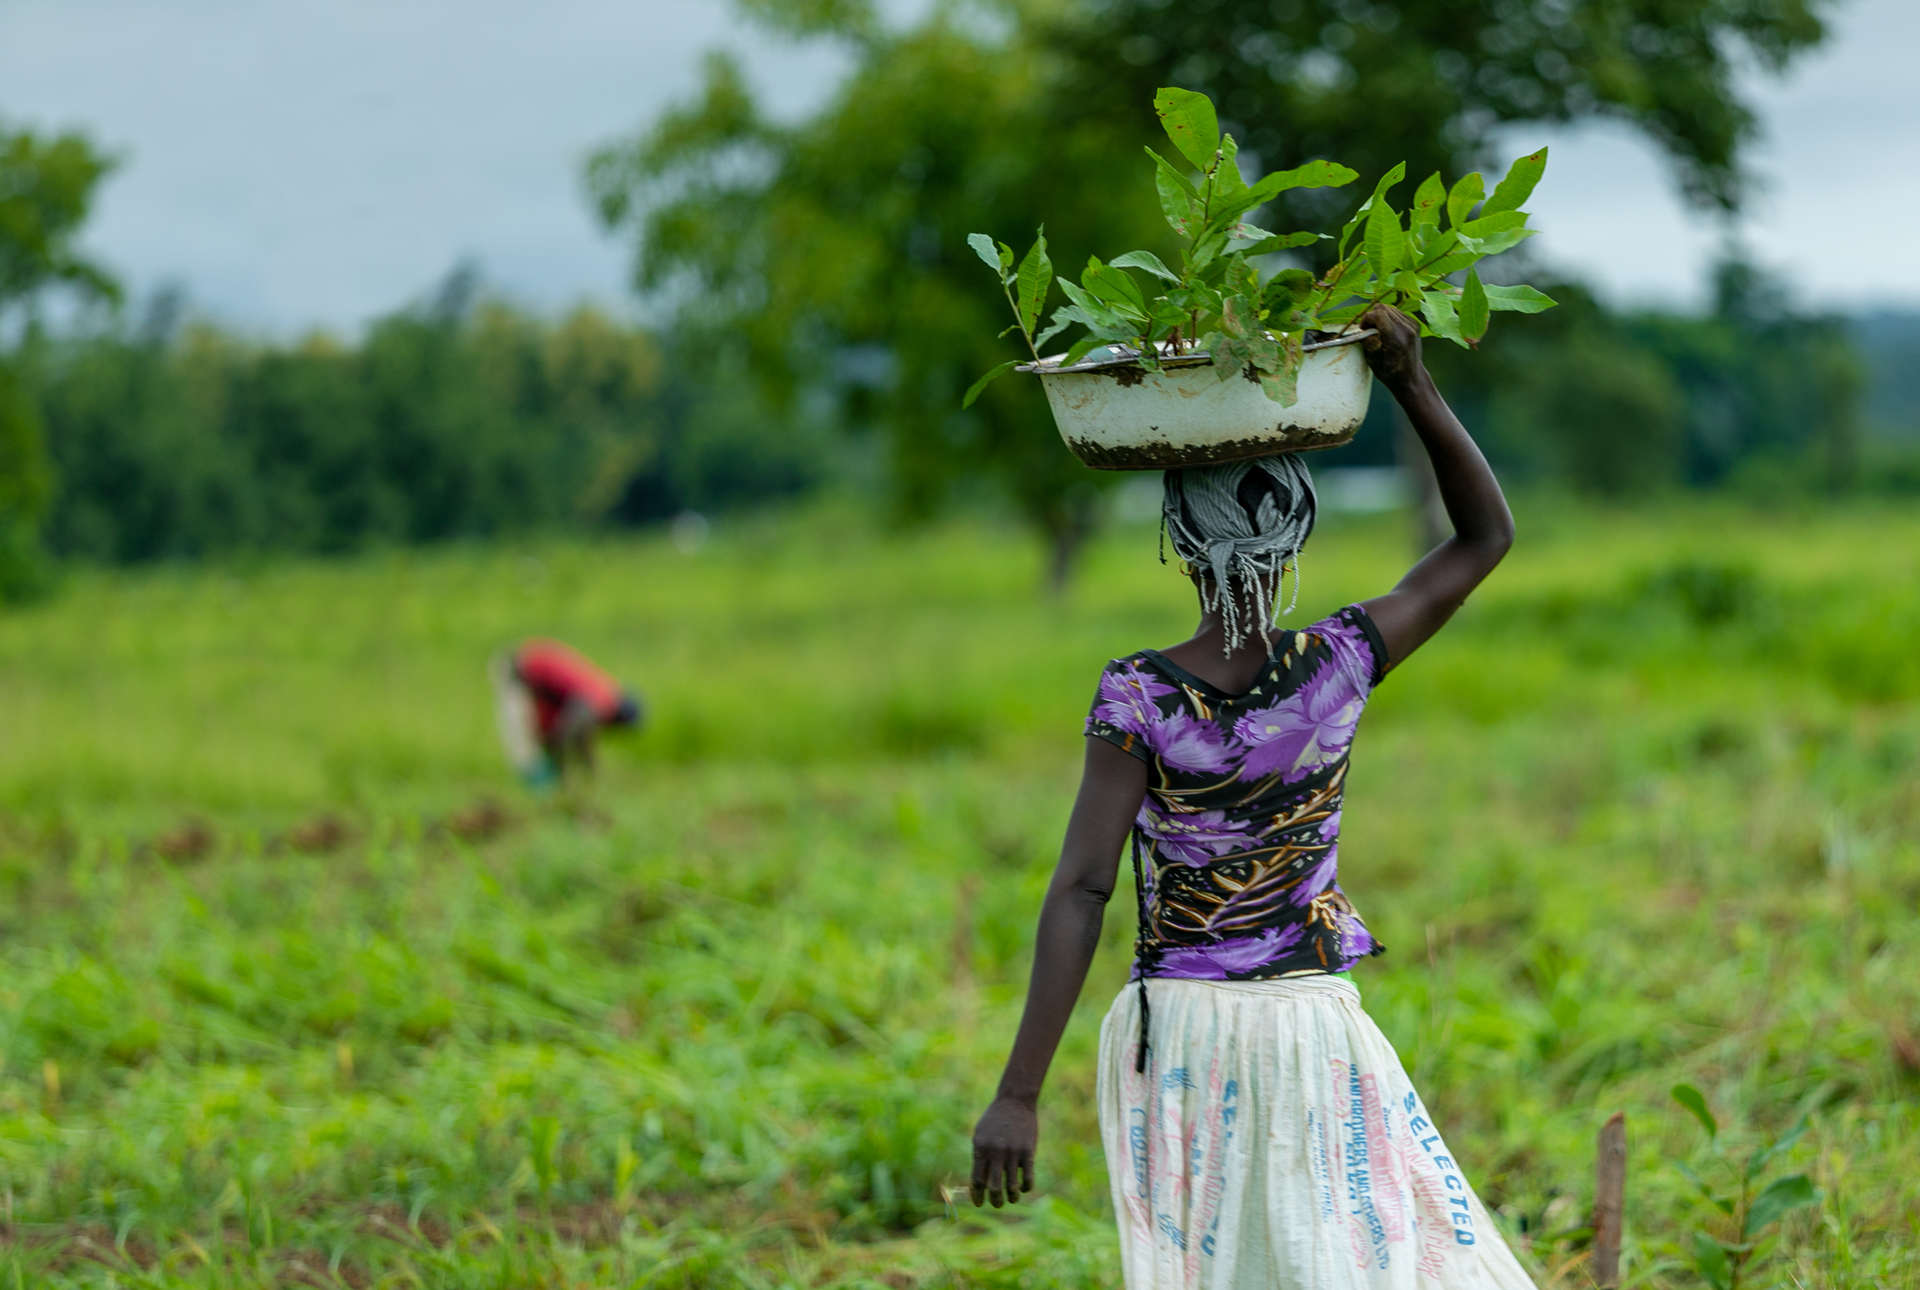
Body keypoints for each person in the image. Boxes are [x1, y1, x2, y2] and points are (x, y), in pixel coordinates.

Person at [969, 305, 1536, 1289]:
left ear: (1179, 538)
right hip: (1311, 1025)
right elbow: (1486, 535)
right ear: (1299, 529)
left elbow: (1082, 890)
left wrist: (1018, 1095)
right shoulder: (1341, 664)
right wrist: (1411, 380)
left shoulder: (1138, 693)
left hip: (1181, 1037)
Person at [490, 638, 643, 786]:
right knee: (524, 746)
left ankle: (548, 786)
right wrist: (574, 761)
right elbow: (575, 730)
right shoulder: (603, 702)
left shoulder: (602, 689)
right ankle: (540, 788)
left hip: (534, 675)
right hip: (518, 670)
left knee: (536, 737)